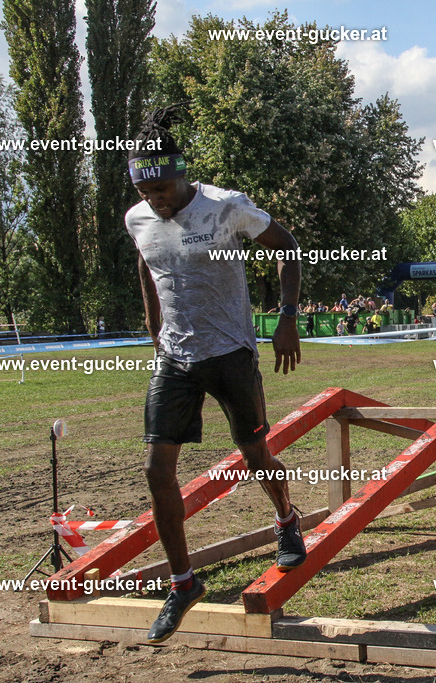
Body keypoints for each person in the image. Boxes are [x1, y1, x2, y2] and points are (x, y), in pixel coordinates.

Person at [124, 105, 305, 643]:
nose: (155, 200)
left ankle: (286, 520)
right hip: (175, 360)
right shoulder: (139, 219)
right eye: (146, 191)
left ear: (183, 173)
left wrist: (287, 319)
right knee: (158, 469)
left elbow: (287, 248)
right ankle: (183, 584)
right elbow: (146, 263)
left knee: (254, 455)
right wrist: (155, 330)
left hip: (230, 354)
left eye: (163, 189)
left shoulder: (226, 208)